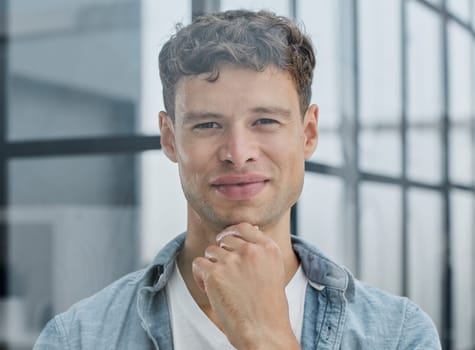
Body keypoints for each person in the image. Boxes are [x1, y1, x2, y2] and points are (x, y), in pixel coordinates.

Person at [33, 9, 441, 350]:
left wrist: (265, 336)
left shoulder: (399, 335)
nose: (238, 151)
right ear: (170, 138)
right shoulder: (78, 338)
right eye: (208, 124)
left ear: (308, 134)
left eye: (265, 121)